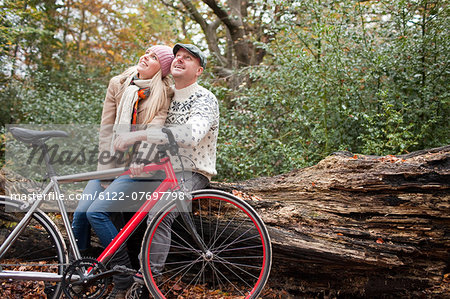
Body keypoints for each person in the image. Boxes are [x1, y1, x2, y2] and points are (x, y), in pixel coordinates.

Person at [112, 43, 219, 296]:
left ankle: (146, 283)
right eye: (177, 56)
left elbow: (191, 135)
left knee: (158, 213)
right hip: (160, 170)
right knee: (113, 202)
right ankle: (118, 275)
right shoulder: (167, 95)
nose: (180, 60)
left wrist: (141, 137)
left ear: (199, 70)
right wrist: (142, 158)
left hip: (192, 172)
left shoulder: (205, 98)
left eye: (188, 59)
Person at [71, 45, 175, 299]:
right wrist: (106, 175)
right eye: (146, 52)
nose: (145, 57)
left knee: (98, 212)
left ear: (160, 70)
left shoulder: (163, 94)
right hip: (111, 163)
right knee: (81, 215)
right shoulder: (118, 84)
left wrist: (140, 158)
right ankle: (80, 273)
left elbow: (154, 132)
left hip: (139, 169)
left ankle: (123, 276)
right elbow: (106, 131)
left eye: (152, 58)